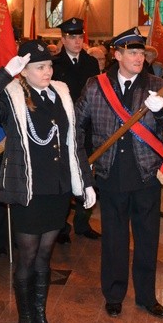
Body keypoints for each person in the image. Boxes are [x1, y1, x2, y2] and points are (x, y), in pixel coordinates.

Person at [0, 39, 96, 323]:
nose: (47, 71)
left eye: (49, 65)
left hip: (57, 189)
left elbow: (73, 143)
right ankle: (25, 321)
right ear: (23, 71)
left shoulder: (61, 94)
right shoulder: (11, 97)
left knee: (44, 257)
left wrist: (86, 182)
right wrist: (4, 74)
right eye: (40, 67)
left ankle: (40, 317)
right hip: (28, 190)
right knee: (27, 258)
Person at [75, 27, 163, 319]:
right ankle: (114, 294)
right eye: (132, 52)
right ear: (116, 55)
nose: (138, 58)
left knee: (147, 239)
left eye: (141, 53)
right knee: (114, 239)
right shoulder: (96, 85)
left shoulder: (157, 84)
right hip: (110, 174)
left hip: (146, 175)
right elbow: (78, 125)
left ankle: (146, 296)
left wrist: (160, 112)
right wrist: (83, 168)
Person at [51, 18, 102, 242]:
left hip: (87, 128)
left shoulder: (91, 63)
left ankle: (82, 222)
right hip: (63, 127)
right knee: (63, 177)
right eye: (72, 37)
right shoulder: (54, 63)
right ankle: (61, 226)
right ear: (63, 39)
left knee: (87, 175)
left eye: (80, 37)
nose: (77, 41)